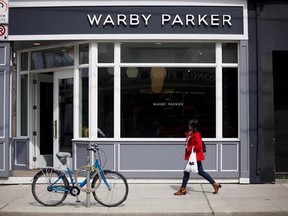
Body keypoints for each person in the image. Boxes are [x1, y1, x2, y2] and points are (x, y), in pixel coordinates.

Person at [174, 119, 222, 195]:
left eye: (189, 125)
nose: (188, 126)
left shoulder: (197, 134)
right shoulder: (191, 133)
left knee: (187, 172)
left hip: (195, 156)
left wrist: (189, 148)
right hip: (193, 156)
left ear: (192, 126)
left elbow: (199, 146)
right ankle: (214, 184)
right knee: (200, 171)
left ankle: (183, 189)